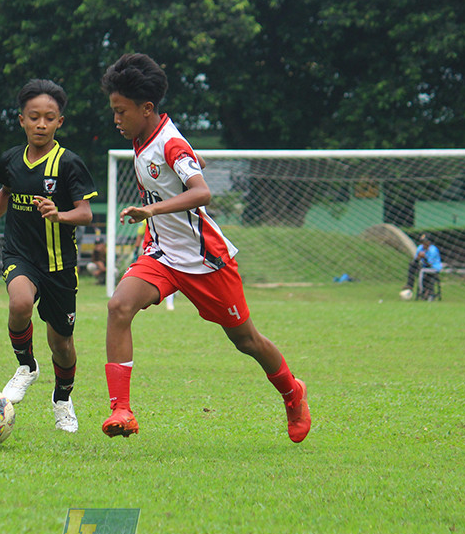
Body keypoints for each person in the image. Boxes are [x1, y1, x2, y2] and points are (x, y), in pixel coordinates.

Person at [98, 53, 310, 442]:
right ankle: (122, 410)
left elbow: (202, 193)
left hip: (205, 260)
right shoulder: (143, 135)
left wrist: (152, 208)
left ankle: (292, 392)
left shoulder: (170, 143)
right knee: (118, 306)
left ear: (147, 109)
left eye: (120, 111)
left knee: (246, 340)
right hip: (162, 254)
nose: (116, 119)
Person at [0, 79, 98, 433]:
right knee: (19, 304)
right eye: (34, 117)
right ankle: (26, 366)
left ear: (60, 122)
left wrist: (59, 215)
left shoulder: (69, 164)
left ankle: (62, 399)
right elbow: (5, 192)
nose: (41, 124)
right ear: (22, 120)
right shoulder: (11, 159)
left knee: (62, 344)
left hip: (59, 265)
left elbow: (85, 213)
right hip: (20, 254)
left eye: (49, 117)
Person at [403, 233, 442, 300]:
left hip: (434, 268)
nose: (423, 244)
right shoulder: (420, 248)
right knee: (412, 265)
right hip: (425, 267)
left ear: (429, 242)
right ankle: (410, 285)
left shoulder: (433, 250)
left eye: (424, 242)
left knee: (422, 271)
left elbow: (430, 264)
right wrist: (418, 257)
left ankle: (422, 292)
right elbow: (415, 261)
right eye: (422, 242)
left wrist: (425, 257)